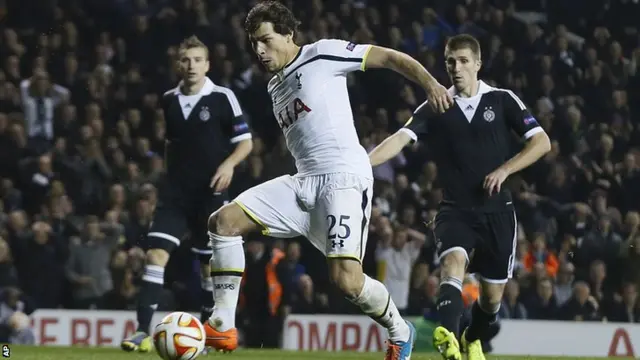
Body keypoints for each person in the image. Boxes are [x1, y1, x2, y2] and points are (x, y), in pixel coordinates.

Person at [203, 1, 452, 359]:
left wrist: (430, 84)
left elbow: (391, 58)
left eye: (265, 39)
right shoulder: (275, 85)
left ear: (289, 34)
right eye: (253, 42)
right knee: (223, 222)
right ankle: (223, 326)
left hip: (343, 180)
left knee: (347, 280)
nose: (258, 49)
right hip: (304, 182)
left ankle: (400, 330)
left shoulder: (323, 54)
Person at [368, 34, 551, 360]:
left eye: (464, 60)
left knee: (492, 298)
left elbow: (541, 143)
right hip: (455, 209)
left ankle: (470, 337)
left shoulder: (502, 100)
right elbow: (399, 139)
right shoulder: (437, 105)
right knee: (452, 265)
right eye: (451, 61)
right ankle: (449, 338)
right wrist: (362, 164)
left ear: (478, 64)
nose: (456, 67)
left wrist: (505, 170)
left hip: (497, 211)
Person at [120, 36, 253, 352]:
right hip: (176, 196)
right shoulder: (168, 99)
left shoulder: (223, 97)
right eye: (185, 60)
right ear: (177, 64)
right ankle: (141, 331)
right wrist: (169, 176)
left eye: (197, 59)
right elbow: (170, 144)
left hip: (209, 196)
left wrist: (229, 166)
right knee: (155, 256)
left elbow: (246, 142)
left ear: (207, 64)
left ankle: (206, 336)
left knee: (208, 269)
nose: (191, 65)